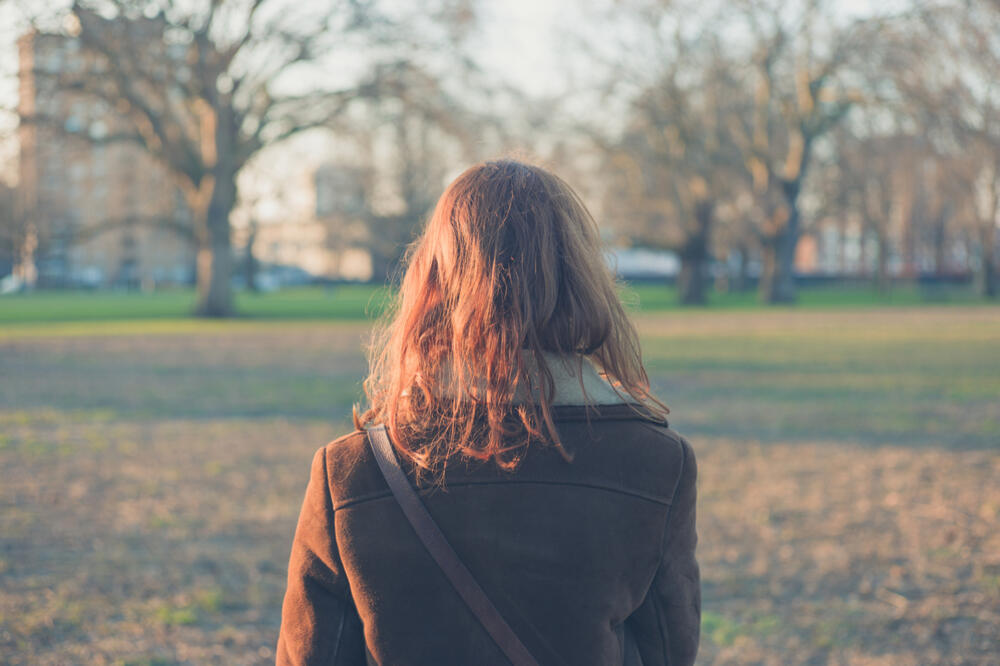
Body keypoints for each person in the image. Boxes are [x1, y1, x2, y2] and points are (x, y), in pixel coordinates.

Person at [275, 159, 700, 666]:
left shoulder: (349, 472)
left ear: (433, 278)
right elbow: (668, 653)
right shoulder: (656, 463)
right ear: (581, 278)